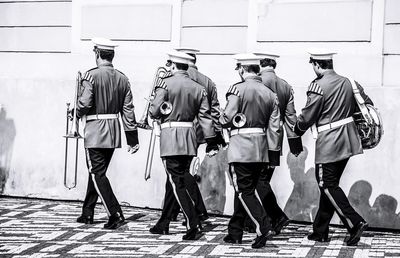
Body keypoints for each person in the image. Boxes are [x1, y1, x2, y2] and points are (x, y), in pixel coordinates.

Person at [294, 49, 372, 246]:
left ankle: (355, 222)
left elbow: (308, 115)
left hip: (330, 141)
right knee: (330, 185)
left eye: (313, 65)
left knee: (326, 184)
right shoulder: (349, 82)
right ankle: (320, 231)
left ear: (317, 65)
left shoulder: (317, 86)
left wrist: (297, 127)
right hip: (348, 139)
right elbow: (366, 104)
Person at [148, 51, 218, 240]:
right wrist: (212, 141)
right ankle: (164, 223)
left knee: (176, 182)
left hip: (171, 136)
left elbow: (154, 110)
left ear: (173, 64)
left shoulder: (165, 82)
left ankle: (193, 223)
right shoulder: (198, 88)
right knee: (175, 181)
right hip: (189, 137)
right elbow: (205, 118)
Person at [75, 37, 139, 230]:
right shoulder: (122, 78)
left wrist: (75, 111)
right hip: (113, 131)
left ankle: (115, 213)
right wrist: (132, 138)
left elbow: (85, 104)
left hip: (95, 130)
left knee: (97, 173)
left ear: (97, 53)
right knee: (97, 173)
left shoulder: (90, 76)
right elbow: (128, 110)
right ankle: (88, 212)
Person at [220, 53, 281, 249]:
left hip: (241, 148)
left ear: (242, 69)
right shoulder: (270, 93)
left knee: (243, 191)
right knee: (246, 191)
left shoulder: (237, 90)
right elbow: (274, 128)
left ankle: (263, 225)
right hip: (261, 149)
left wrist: (218, 116)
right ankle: (235, 231)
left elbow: (227, 118)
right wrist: (272, 153)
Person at [241, 52, 303, 235]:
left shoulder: (256, 83)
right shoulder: (285, 86)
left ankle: (275, 217)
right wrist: (295, 144)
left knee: (255, 182)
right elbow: (291, 117)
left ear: (259, 64)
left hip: (257, 138)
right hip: (277, 139)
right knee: (260, 181)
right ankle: (253, 221)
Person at [167, 48, 226, 224]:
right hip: (201, 131)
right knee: (180, 172)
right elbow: (214, 112)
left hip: (177, 130)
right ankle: (170, 214)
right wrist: (214, 138)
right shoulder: (208, 81)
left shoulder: (172, 79)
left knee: (179, 173)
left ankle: (195, 211)